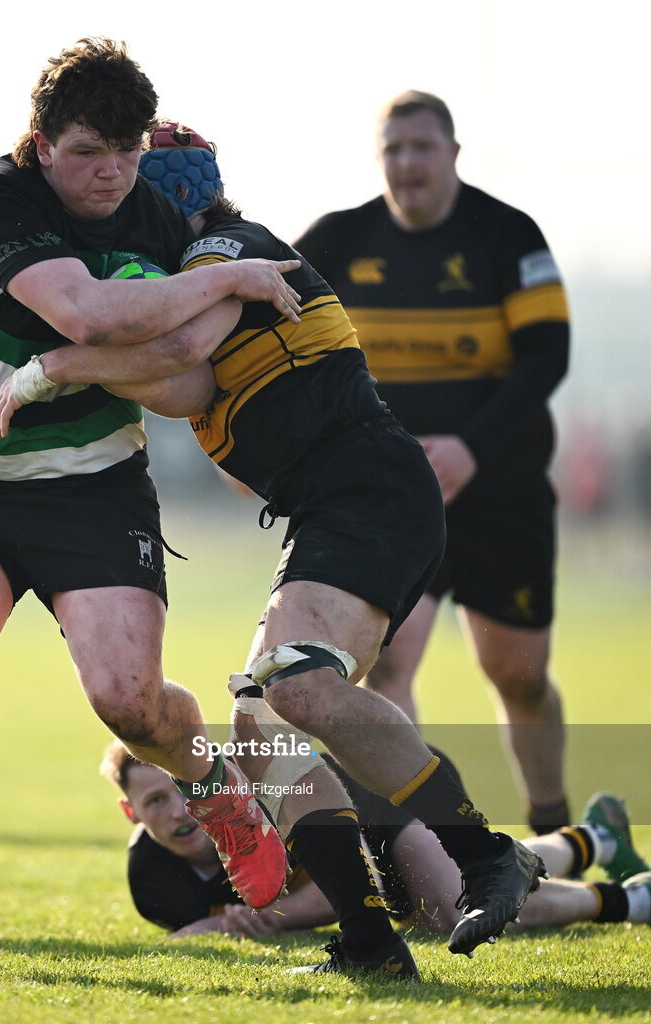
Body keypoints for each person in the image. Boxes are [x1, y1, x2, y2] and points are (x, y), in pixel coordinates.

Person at [0, 121, 551, 975]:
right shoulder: (194, 283)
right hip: (339, 506)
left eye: (129, 182)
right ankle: (370, 944)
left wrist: (53, 368)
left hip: (369, 488)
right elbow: (183, 382)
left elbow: (179, 347)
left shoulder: (227, 247)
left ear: (165, 189)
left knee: (294, 686)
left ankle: (479, 854)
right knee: (260, 719)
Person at [0, 39, 305, 979]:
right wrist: (212, 287)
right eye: (88, 151)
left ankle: (215, 787)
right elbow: (90, 315)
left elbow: (187, 381)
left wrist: (167, 320)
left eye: (127, 150)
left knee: (129, 705)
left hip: (95, 491)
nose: (110, 173)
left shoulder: (164, 217)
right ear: (42, 143)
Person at [293, 91, 572, 837]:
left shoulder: (507, 236)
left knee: (515, 674)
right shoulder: (335, 240)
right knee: (386, 667)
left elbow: (547, 357)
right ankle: (418, 851)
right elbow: (273, 344)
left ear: (452, 153)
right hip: (387, 497)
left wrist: (468, 448)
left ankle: (557, 825)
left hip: (498, 490)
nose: (407, 163)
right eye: (393, 149)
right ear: (377, 158)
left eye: (421, 147)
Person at [101, 741, 651, 941]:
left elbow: (341, 888)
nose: (179, 811)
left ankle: (633, 900)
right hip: (365, 831)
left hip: (377, 799)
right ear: (131, 813)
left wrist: (245, 924)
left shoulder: (245, 801)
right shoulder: (152, 883)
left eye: (182, 790)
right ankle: (593, 838)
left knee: (454, 907)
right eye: (154, 802)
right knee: (466, 888)